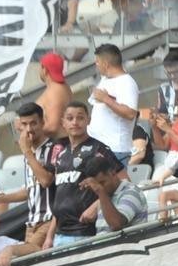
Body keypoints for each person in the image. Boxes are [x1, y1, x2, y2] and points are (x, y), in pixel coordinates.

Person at [43, 103, 124, 248]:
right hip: (60, 234)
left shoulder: (99, 149)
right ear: (63, 122)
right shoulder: (60, 152)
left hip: (85, 232)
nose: (75, 122)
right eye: (70, 118)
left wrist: (97, 205)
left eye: (80, 118)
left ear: (89, 120)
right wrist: (50, 236)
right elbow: (61, 197)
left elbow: (123, 182)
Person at [0, 103, 55, 245]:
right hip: (31, 223)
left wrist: (27, 151)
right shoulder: (29, 152)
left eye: (33, 123)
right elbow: (31, 190)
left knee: (20, 254)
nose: (29, 129)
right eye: (24, 124)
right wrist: (1, 199)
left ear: (42, 122)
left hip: (49, 219)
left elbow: (46, 181)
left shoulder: (54, 148)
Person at [87, 43, 139, 165]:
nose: (96, 65)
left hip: (115, 149)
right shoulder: (105, 79)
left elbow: (130, 113)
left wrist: (106, 99)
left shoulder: (127, 82)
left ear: (105, 64)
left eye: (97, 62)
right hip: (98, 146)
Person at [82, 154, 147, 233]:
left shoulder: (131, 192)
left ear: (112, 173)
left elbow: (116, 225)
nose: (101, 187)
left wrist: (100, 191)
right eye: (96, 185)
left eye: (102, 183)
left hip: (129, 240)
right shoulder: (106, 196)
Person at [35, 52, 72, 139]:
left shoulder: (55, 91)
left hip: (59, 143)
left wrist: (30, 133)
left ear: (44, 69)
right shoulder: (61, 87)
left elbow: (53, 126)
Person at [155, 47, 178, 121]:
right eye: (169, 73)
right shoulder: (163, 88)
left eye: (176, 72)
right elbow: (161, 112)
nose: (172, 76)